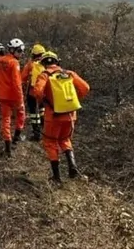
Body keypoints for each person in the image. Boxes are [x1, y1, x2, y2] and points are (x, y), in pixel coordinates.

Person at [31, 51, 91, 183]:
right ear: (57, 62)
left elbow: (37, 92)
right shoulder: (69, 74)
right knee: (65, 140)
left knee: (50, 143)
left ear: (44, 64)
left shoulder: (44, 75)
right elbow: (86, 87)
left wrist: (45, 102)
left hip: (53, 116)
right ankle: (72, 168)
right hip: (70, 115)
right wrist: (74, 98)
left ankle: (56, 177)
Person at [0, 38, 26, 156]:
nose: (21, 53)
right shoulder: (14, 63)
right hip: (14, 96)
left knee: (6, 120)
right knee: (21, 114)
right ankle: (16, 137)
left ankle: (7, 147)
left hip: (2, 96)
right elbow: (16, 83)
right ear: (13, 50)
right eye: (20, 51)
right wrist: (20, 99)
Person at [21, 43, 47, 141]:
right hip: (44, 92)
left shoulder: (30, 64)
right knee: (42, 109)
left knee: (33, 112)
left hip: (32, 92)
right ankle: (45, 128)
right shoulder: (47, 64)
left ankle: (36, 133)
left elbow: (22, 78)